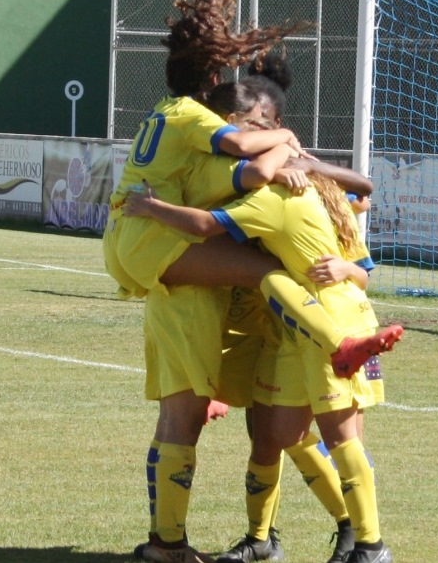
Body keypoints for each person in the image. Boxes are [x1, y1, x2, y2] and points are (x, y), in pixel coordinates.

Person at [104, 0, 401, 562]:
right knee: (275, 425)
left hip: (274, 307)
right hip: (241, 293)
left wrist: (315, 174)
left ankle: (347, 535)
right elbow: (252, 170)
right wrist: (290, 146)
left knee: (285, 435)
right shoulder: (219, 155)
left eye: (256, 123)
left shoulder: (184, 129)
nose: (246, 130)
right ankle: (321, 536)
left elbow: (358, 217)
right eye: (246, 123)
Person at [123, 170, 397, 563]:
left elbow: (362, 270)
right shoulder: (273, 196)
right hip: (280, 328)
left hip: (332, 320)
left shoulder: (301, 198)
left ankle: (364, 538)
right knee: (277, 432)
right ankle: (263, 539)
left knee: (340, 435)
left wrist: (150, 207)